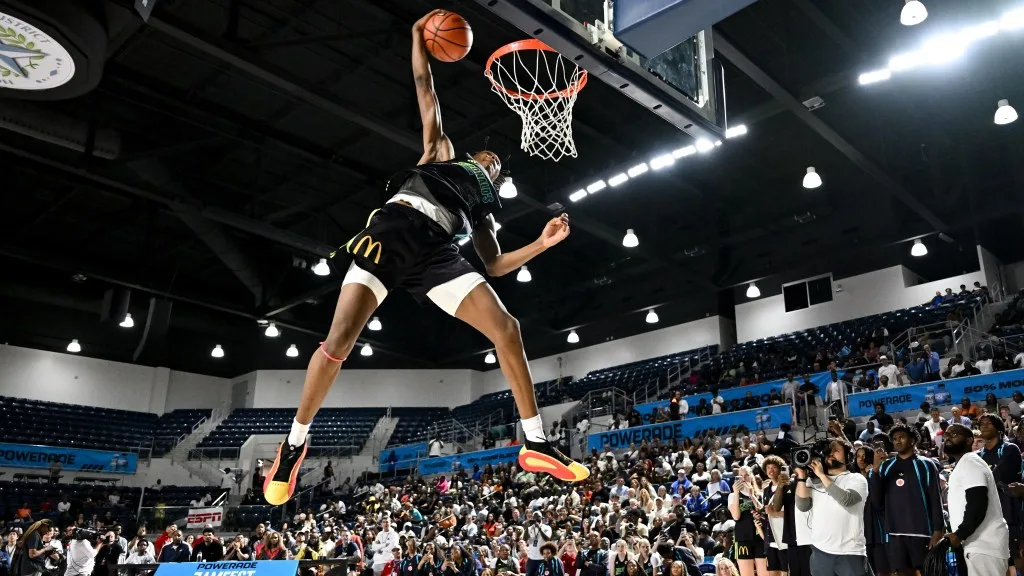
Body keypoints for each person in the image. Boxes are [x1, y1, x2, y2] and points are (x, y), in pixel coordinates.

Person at [262, 9, 587, 506]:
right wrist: (418, 35)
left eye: (499, 167)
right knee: (338, 344)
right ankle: (294, 443)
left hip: (437, 255)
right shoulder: (441, 151)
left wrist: (541, 244)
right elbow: (424, 87)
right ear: (475, 155)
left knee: (507, 327)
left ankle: (536, 440)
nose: (494, 162)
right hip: (393, 231)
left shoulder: (484, 209)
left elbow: (494, 264)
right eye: (491, 157)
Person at [869, 424, 943, 576]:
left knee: (926, 572)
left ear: (912, 440)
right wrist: (875, 470)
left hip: (922, 533)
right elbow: (876, 501)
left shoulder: (926, 465)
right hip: (895, 534)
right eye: (894, 439)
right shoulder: (886, 466)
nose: (897, 441)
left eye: (901, 437)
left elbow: (936, 499)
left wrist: (938, 530)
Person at [794, 439, 871, 576]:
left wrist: (822, 475)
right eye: (828, 451)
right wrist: (801, 477)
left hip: (850, 552)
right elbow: (803, 506)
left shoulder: (856, 479)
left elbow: (847, 500)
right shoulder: (813, 481)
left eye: (836, 451)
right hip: (820, 552)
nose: (831, 454)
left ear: (849, 456)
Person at [943, 423, 1010, 576]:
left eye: (953, 435)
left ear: (969, 440)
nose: (948, 438)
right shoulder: (965, 463)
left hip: (983, 545)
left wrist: (960, 534)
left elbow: (977, 502)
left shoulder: (970, 462)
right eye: (946, 436)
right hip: (979, 545)